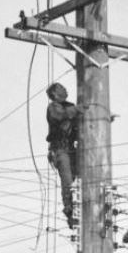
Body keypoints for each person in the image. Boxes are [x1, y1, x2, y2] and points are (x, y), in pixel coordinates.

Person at [45, 82, 82, 227]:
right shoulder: (53, 107)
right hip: (60, 149)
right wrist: (78, 109)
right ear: (54, 94)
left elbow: (78, 122)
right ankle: (70, 209)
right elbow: (61, 116)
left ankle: (79, 206)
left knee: (80, 178)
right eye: (62, 88)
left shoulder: (70, 106)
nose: (66, 89)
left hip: (71, 149)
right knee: (67, 181)